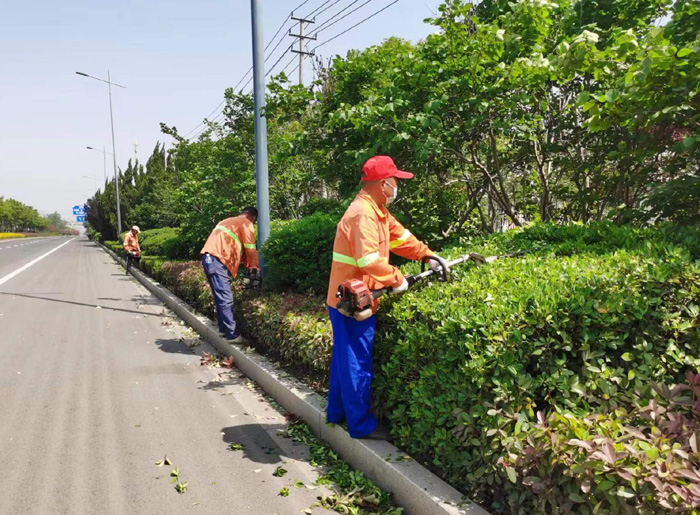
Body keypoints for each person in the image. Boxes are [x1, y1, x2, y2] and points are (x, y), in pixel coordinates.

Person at [326, 156, 442, 439]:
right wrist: (397, 278)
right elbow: (368, 260)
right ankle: (361, 426)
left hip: (350, 299)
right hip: (352, 303)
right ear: (382, 184)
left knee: (344, 360)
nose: (396, 187)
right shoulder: (362, 214)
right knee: (357, 363)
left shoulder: (377, 211)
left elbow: (402, 238)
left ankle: (336, 413)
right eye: (394, 181)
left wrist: (427, 255)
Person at [200, 207, 259, 344]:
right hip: (218, 261)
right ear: (252, 217)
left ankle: (223, 330)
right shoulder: (246, 223)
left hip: (209, 259)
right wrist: (255, 267)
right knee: (226, 298)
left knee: (219, 296)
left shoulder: (226, 221)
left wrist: (246, 264)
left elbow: (238, 247)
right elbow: (250, 248)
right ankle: (232, 335)